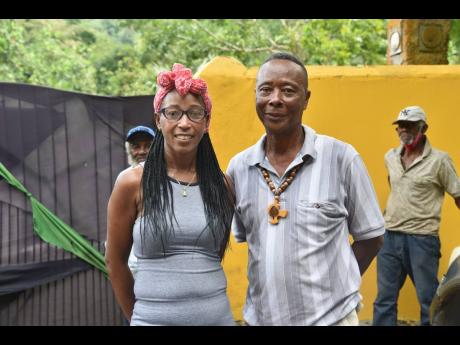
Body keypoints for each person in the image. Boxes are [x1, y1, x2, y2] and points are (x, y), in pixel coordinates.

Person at [226, 52, 385, 326]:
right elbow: (248, 240)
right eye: (266, 89)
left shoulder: (341, 158)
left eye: (288, 90)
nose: (275, 99)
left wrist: (335, 285)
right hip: (262, 320)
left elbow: (372, 237)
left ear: (306, 99)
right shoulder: (239, 168)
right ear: (256, 95)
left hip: (332, 320)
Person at [105, 63, 235, 326]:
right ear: (158, 119)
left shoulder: (222, 185)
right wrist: (141, 318)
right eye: (173, 113)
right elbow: (115, 261)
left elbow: (214, 253)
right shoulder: (132, 182)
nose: (184, 123)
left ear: (206, 122)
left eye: (194, 114)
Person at [372, 106, 460, 326]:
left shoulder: (440, 160)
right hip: (389, 238)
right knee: (384, 299)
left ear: (424, 128)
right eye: (400, 125)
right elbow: (396, 189)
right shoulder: (390, 157)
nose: (404, 129)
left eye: (410, 125)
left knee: (428, 300)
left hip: (422, 240)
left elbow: (458, 195)